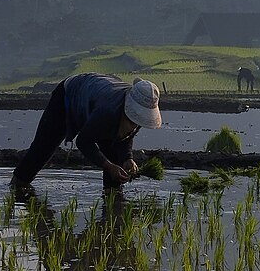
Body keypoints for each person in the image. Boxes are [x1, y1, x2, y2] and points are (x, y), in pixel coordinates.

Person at [11, 73, 162, 191]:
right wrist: (107, 166)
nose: (135, 124)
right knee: (42, 149)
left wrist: (127, 158)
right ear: (127, 107)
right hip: (70, 95)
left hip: (96, 97)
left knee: (116, 158)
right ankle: (16, 187)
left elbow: (125, 136)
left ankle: (112, 203)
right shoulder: (107, 111)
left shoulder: (138, 116)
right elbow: (83, 141)